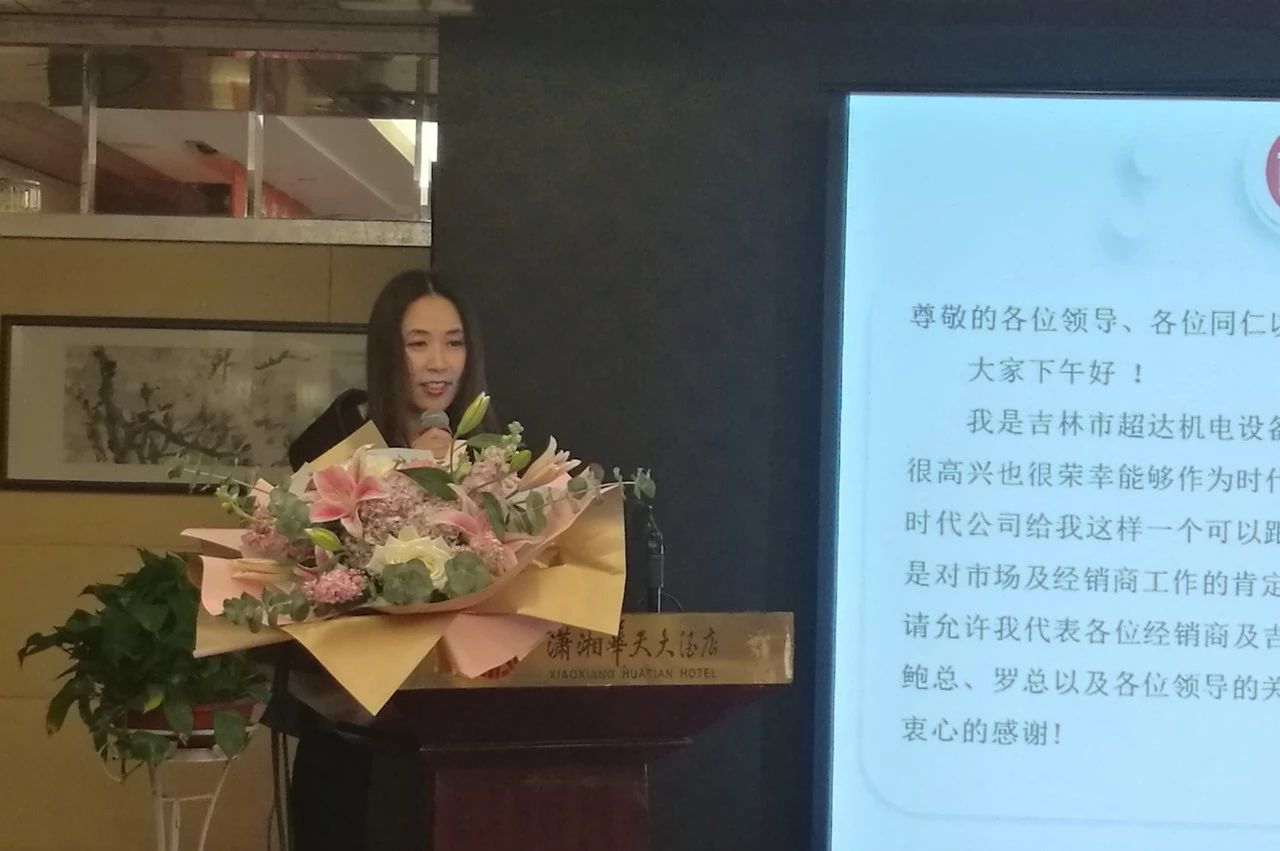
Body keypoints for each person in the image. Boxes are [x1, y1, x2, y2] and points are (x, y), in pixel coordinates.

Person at [272, 269, 494, 851]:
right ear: (388, 352)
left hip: (451, 748)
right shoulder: (331, 444)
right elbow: (310, 578)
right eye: (418, 344)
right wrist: (402, 476)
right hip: (349, 744)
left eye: (454, 343)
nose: (439, 363)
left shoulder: (488, 453)